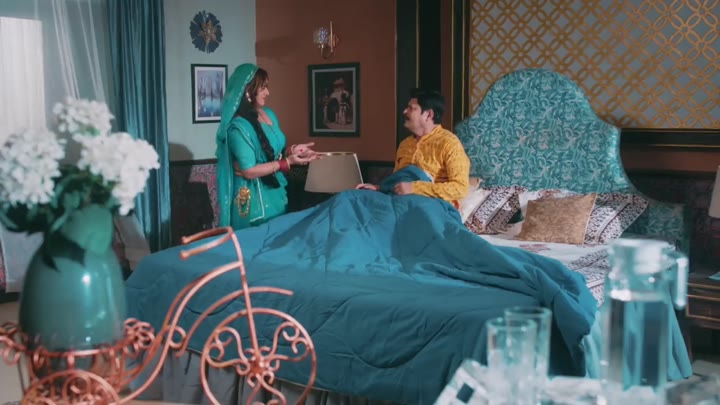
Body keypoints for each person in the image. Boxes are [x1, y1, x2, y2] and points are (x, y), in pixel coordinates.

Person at [216, 63, 320, 230]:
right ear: (248, 90)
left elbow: (272, 151)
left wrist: (293, 151)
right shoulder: (238, 128)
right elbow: (248, 171)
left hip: (275, 190)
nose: (268, 93)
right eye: (263, 87)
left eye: (267, 87)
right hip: (254, 199)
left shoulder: (268, 114)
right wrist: (287, 162)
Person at [356, 88, 471, 208]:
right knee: (353, 199)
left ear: (429, 115)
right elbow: (398, 183)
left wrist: (415, 188)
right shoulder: (404, 145)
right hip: (400, 203)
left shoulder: (449, 143)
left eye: (411, 108)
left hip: (433, 207)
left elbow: (460, 188)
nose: (405, 111)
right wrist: (378, 188)